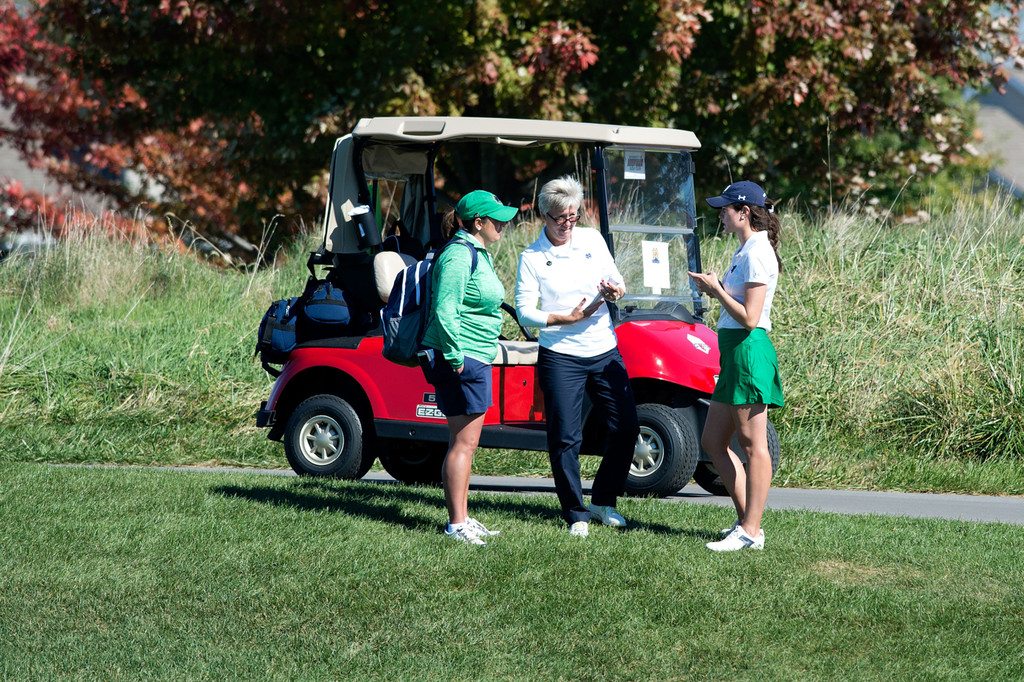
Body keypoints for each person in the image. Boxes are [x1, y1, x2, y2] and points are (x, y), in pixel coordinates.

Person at [515, 176, 640, 537]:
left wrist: (615, 289)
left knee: (627, 425)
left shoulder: (591, 239)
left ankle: (603, 500)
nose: (568, 224)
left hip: (603, 348)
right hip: (560, 356)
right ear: (544, 216)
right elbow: (525, 312)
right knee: (566, 437)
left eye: (573, 216)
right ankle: (576, 513)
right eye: (560, 218)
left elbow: (615, 278)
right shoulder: (533, 257)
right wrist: (563, 318)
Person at [687, 180, 784, 551]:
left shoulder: (758, 253)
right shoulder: (745, 249)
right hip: (733, 353)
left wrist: (716, 291)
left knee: (752, 444)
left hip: (748, 350)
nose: (720, 214)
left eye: (725, 209)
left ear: (744, 213)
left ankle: (750, 530)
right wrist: (715, 288)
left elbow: (750, 317)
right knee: (713, 441)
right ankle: (748, 524)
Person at [420, 190, 519, 545]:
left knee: (464, 442)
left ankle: (461, 518)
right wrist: (457, 359)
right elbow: (445, 310)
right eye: (498, 219)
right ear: (478, 222)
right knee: (464, 443)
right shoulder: (459, 257)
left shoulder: (476, 252)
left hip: (473, 355)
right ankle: (455, 524)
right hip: (463, 358)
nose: (504, 225)